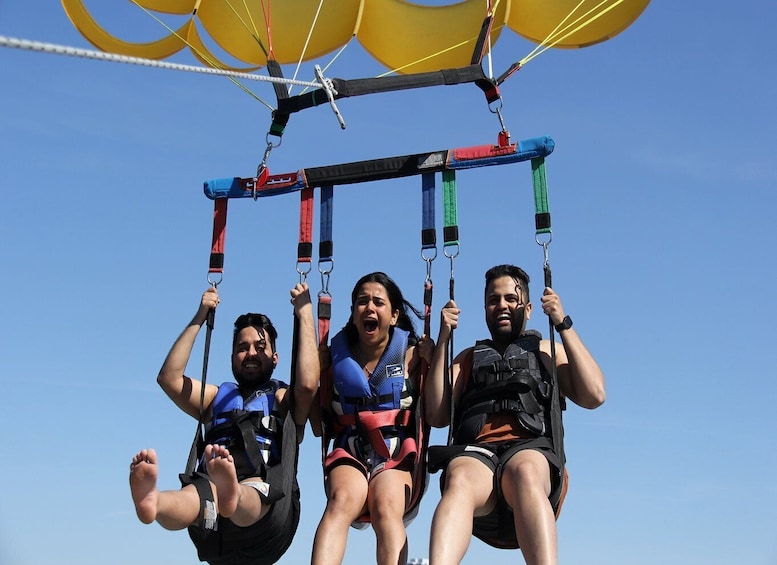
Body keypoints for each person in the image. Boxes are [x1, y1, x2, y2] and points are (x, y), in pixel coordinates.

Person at [425, 264, 606, 565]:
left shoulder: (546, 351)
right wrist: (443, 339)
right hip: (478, 457)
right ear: (485, 307)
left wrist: (562, 322)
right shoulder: (468, 358)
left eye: (511, 298)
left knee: (524, 472)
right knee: (458, 477)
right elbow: (436, 415)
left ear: (530, 307)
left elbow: (595, 394)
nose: (502, 306)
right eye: (494, 300)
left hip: (529, 451)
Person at [129, 283, 319, 565]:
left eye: (260, 347)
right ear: (232, 358)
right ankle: (154, 503)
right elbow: (168, 379)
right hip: (213, 514)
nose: (251, 353)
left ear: (276, 359)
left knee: (248, 493)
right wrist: (200, 317)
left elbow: (307, 384)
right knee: (194, 496)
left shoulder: (282, 399)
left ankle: (233, 495)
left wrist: (304, 313)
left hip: (266, 506)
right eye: (242, 348)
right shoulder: (215, 397)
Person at [306, 272, 434, 565]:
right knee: (340, 503)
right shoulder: (334, 360)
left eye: (378, 302)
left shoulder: (413, 357)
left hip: (395, 450)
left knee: (385, 507)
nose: (369, 308)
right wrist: (316, 368)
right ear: (353, 314)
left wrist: (436, 356)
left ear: (393, 315)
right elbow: (315, 423)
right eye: (362, 302)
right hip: (349, 449)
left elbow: (439, 411)